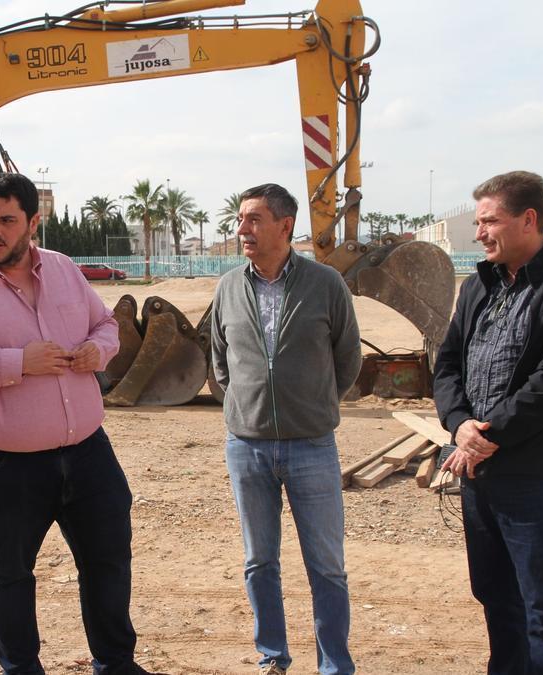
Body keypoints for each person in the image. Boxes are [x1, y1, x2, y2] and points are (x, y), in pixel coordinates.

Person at [0, 173, 154, 675]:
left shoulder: (65, 271)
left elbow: (106, 324)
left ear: (32, 224)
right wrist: (17, 362)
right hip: (4, 463)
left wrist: (99, 350)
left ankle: (115, 664)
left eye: (7, 220)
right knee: (10, 573)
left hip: (87, 451)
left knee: (108, 560)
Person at [433, 170, 543, 675]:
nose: (480, 232)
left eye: (490, 221)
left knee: (542, 607)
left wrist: (485, 437)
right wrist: (460, 423)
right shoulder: (478, 286)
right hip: (478, 472)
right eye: (480, 222)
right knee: (495, 597)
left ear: (529, 220)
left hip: (532, 475)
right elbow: (447, 365)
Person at [211, 183, 361, 675]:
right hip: (247, 447)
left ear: (285, 226)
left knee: (326, 566)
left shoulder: (325, 284)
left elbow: (347, 359)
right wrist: (248, 410)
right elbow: (221, 362)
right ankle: (273, 655)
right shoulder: (229, 286)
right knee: (259, 561)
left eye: (253, 219)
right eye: (240, 219)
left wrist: (312, 405)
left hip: (312, 445)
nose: (242, 229)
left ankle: (335, 664)